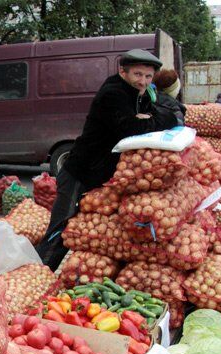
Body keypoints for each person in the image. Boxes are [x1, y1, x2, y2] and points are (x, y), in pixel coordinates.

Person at [36, 49, 179, 271]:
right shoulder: (114, 93)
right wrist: (151, 120)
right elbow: (131, 127)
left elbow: (159, 115)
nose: (143, 81)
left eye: (148, 76)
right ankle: (39, 274)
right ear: (123, 71)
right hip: (80, 172)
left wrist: (151, 118)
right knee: (62, 228)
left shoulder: (138, 94)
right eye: (138, 74)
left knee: (84, 229)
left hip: (100, 175)